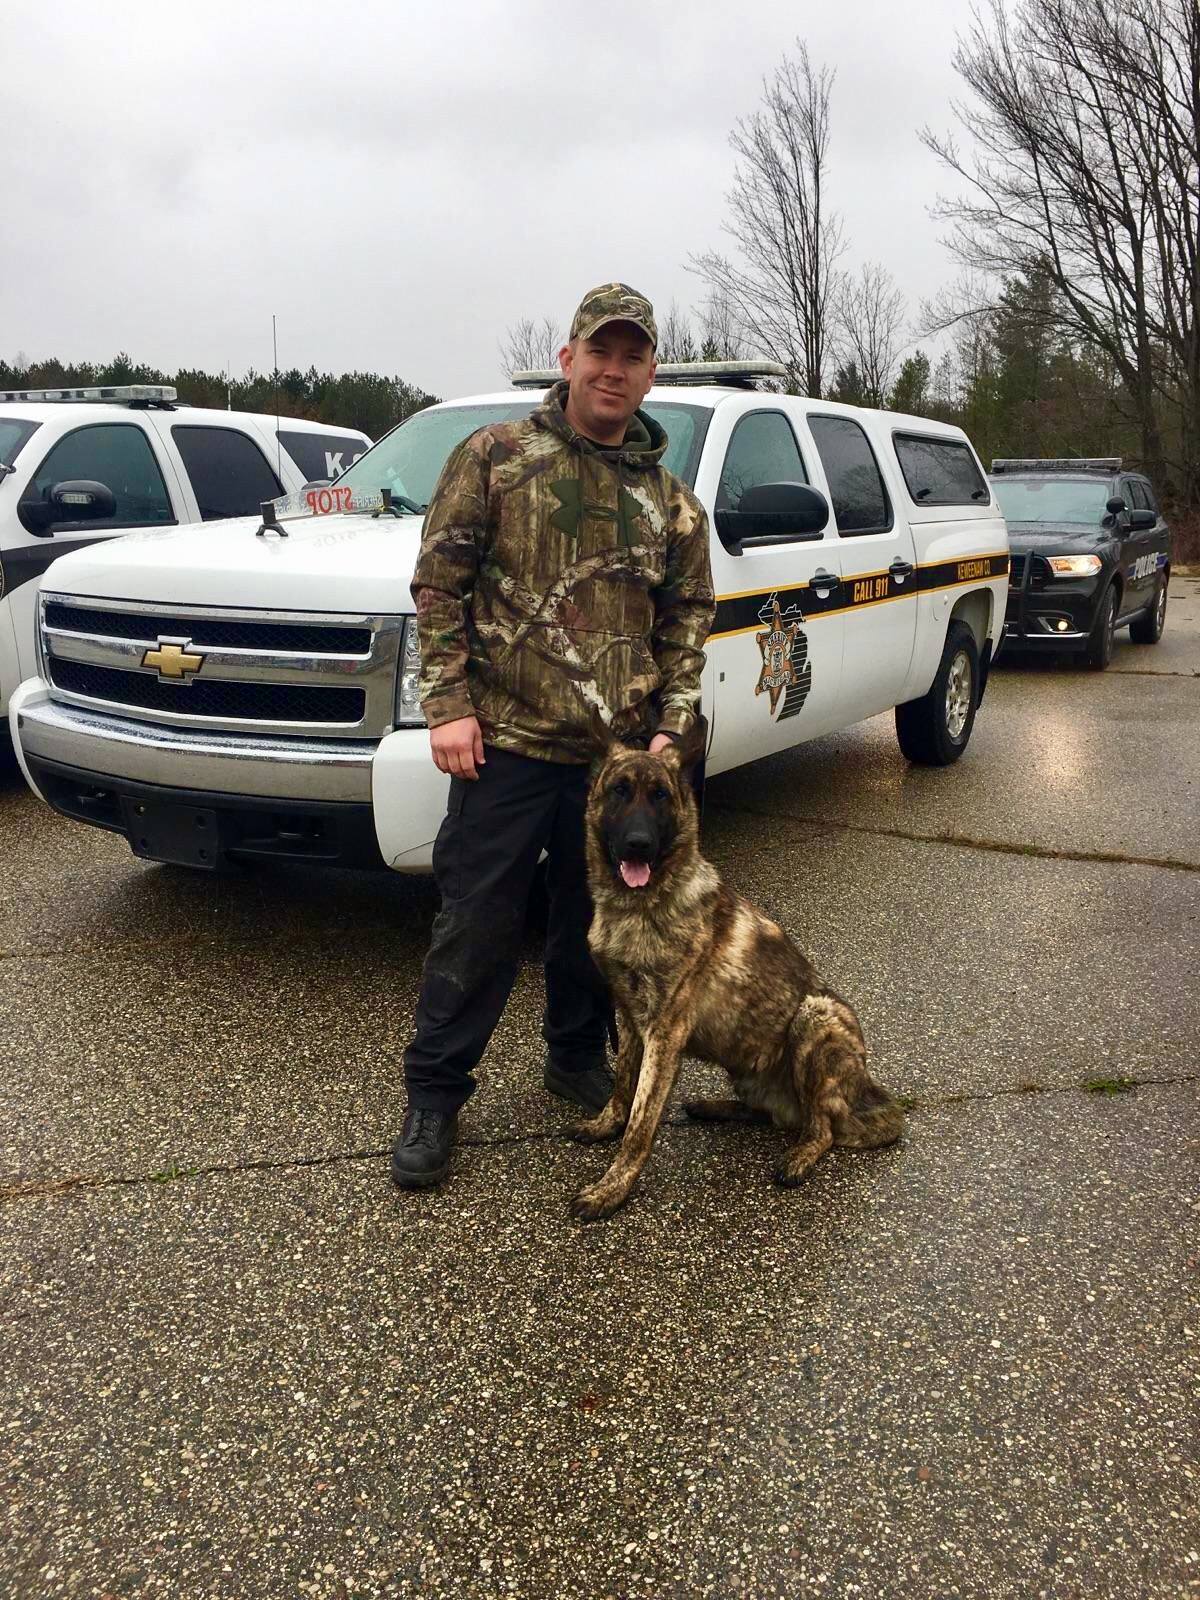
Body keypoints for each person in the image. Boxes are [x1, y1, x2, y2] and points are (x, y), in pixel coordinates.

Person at [391, 282, 715, 1189]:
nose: (614, 370)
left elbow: (689, 618)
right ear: (568, 358)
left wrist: (672, 735)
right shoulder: (495, 457)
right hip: (506, 748)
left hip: (618, 770)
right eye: (599, 352)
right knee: (479, 925)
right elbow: (439, 584)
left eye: (633, 356)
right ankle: (434, 1097)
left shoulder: (670, 502)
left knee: (594, 929)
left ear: (651, 373)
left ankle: (575, 1059)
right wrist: (447, 703)